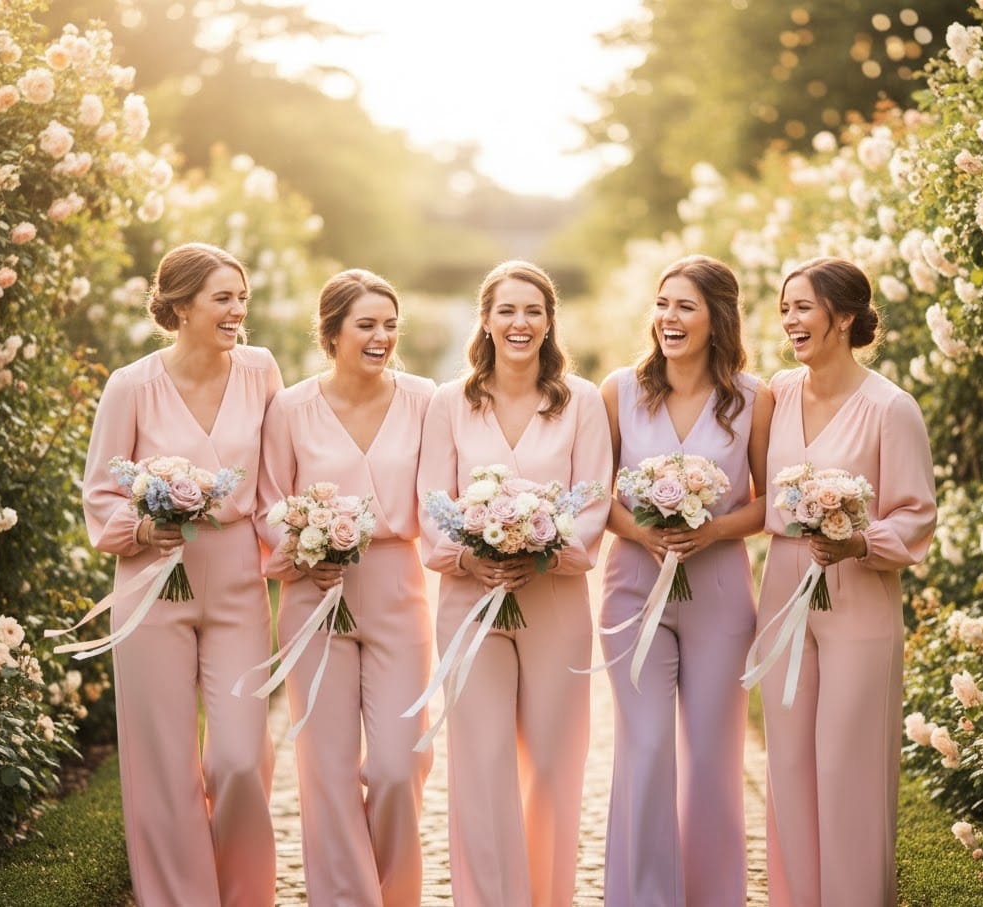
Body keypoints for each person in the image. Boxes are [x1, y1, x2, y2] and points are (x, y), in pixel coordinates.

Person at [82, 242, 282, 906]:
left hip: (234, 584)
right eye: (222, 297)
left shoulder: (261, 371)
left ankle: (244, 895)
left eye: (241, 297)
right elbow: (99, 492)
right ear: (183, 306)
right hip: (151, 587)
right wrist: (141, 527)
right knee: (164, 763)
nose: (237, 310)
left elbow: (279, 480)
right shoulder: (130, 385)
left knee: (238, 759)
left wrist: (305, 540)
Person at [416, 260, 612, 907]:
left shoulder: (580, 399)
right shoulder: (450, 401)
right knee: (481, 767)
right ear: (487, 319)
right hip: (471, 603)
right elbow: (430, 502)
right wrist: (470, 558)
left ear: (550, 321)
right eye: (507, 310)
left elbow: (594, 503)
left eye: (533, 310)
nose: (520, 322)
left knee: (555, 766)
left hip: (554, 599)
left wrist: (544, 554)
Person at [756, 257, 936, 907]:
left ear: (845, 317)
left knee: (846, 769)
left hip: (859, 595)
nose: (790, 320)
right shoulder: (776, 393)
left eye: (802, 306)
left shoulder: (892, 407)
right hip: (783, 591)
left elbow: (916, 514)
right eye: (785, 307)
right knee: (792, 770)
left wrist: (860, 539)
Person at [597, 255, 774, 906]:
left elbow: (766, 501)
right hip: (632, 590)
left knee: (710, 760)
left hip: (721, 595)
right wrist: (641, 531)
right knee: (644, 750)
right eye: (662, 303)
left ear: (716, 318)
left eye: (685, 306)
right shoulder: (618, 389)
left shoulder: (754, 400)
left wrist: (717, 529)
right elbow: (595, 494)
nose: (668, 318)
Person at [255, 269, 435, 907]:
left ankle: (396, 895)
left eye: (390, 324)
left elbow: (439, 497)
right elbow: (267, 503)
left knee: (397, 764)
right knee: (326, 771)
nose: (382, 335)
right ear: (332, 333)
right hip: (314, 594)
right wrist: (300, 554)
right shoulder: (291, 407)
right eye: (367, 324)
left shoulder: (424, 399)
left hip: (395, 587)